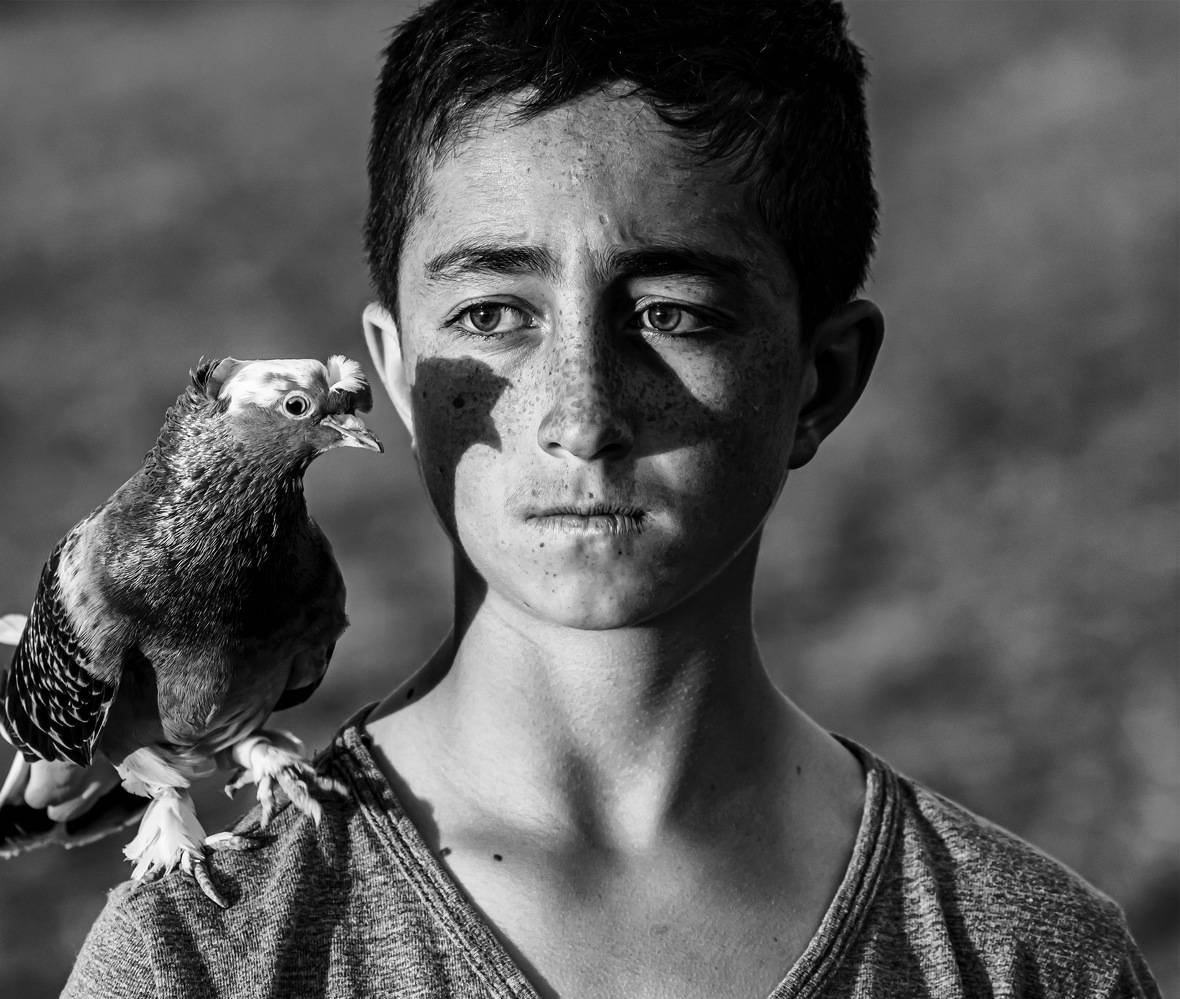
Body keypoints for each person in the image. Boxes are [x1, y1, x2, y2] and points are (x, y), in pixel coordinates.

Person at [63, 2, 1159, 996]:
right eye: (493, 315)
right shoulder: (201, 958)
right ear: (397, 374)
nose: (580, 418)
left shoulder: (1031, 961)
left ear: (820, 381)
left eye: (673, 313)